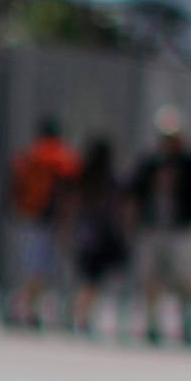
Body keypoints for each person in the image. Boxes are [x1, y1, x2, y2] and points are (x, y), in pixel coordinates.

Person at [129, 106, 191, 346]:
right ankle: (152, 323)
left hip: (181, 228)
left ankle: (188, 323)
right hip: (153, 226)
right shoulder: (150, 161)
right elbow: (134, 190)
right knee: (151, 277)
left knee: (185, 278)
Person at [6, 118, 81, 329]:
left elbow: (15, 184)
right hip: (54, 220)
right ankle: (39, 311)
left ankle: (25, 308)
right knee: (48, 268)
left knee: (32, 266)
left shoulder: (30, 155)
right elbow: (72, 188)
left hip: (29, 216)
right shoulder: (62, 157)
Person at [69, 136, 130, 335]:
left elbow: (74, 204)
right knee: (93, 279)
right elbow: (118, 206)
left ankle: (81, 314)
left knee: (88, 277)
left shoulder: (83, 176)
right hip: (102, 235)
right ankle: (82, 315)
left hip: (86, 233)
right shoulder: (109, 179)